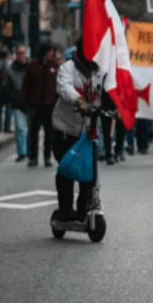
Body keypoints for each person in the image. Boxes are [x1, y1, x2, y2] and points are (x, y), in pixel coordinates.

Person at [51, 45, 103, 222]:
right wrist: (79, 101)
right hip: (65, 131)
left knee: (89, 174)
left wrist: (117, 107)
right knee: (68, 170)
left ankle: (84, 210)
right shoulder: (68, 68)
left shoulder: (100, 71)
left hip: (88, 134)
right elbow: (64, 87)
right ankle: (65, 209)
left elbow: (110, 91)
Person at [22, 43, 58, 167]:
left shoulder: (55, 66)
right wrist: (25, 102)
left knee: (49, 132)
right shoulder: (32, 66)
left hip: (50, 104)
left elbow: (58, 86)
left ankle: (47, 156)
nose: (52, 53)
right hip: (35, 104)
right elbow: (26, 85)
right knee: (33, 131)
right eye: (50, 51)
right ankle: (33, 156)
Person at [3, 45, 29, 161]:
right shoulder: (10, 70)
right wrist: (13, 96)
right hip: (17, 102)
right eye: (19, 53)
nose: (21, 55)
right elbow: (6, 86)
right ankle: (21, 152)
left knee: (30, 129)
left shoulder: (30, 68)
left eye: (23, 53)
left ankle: (29, 150)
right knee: (20, 128)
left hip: (29, 102)